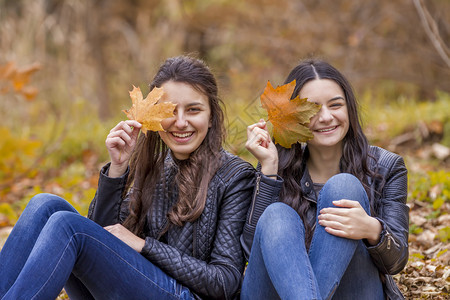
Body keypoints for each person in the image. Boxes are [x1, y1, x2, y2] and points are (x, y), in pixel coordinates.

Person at [0, 55, 255, 300]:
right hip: (133, 286)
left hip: (187, 296)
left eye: (193, 110)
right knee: (45, 205)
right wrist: (117, 169)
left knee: (69, 226)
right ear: (154, 117)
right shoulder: (155, 166)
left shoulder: (235, 177)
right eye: (170, 110)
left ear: (211, 117)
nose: (180, 122)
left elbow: (225, 281)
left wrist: (144, 246)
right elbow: (102, 239)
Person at [240, 59, 409, 300]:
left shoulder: (387, 167)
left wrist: (372, 229)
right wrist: (269, 170)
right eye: (312, 108)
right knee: (277, 215)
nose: (326, 117)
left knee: (344, 187)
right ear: (292, 117)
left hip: (356, 290)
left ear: (349, 108)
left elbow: (397, 261)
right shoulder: (276, 167)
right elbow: (249, 252)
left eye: (336, 105)